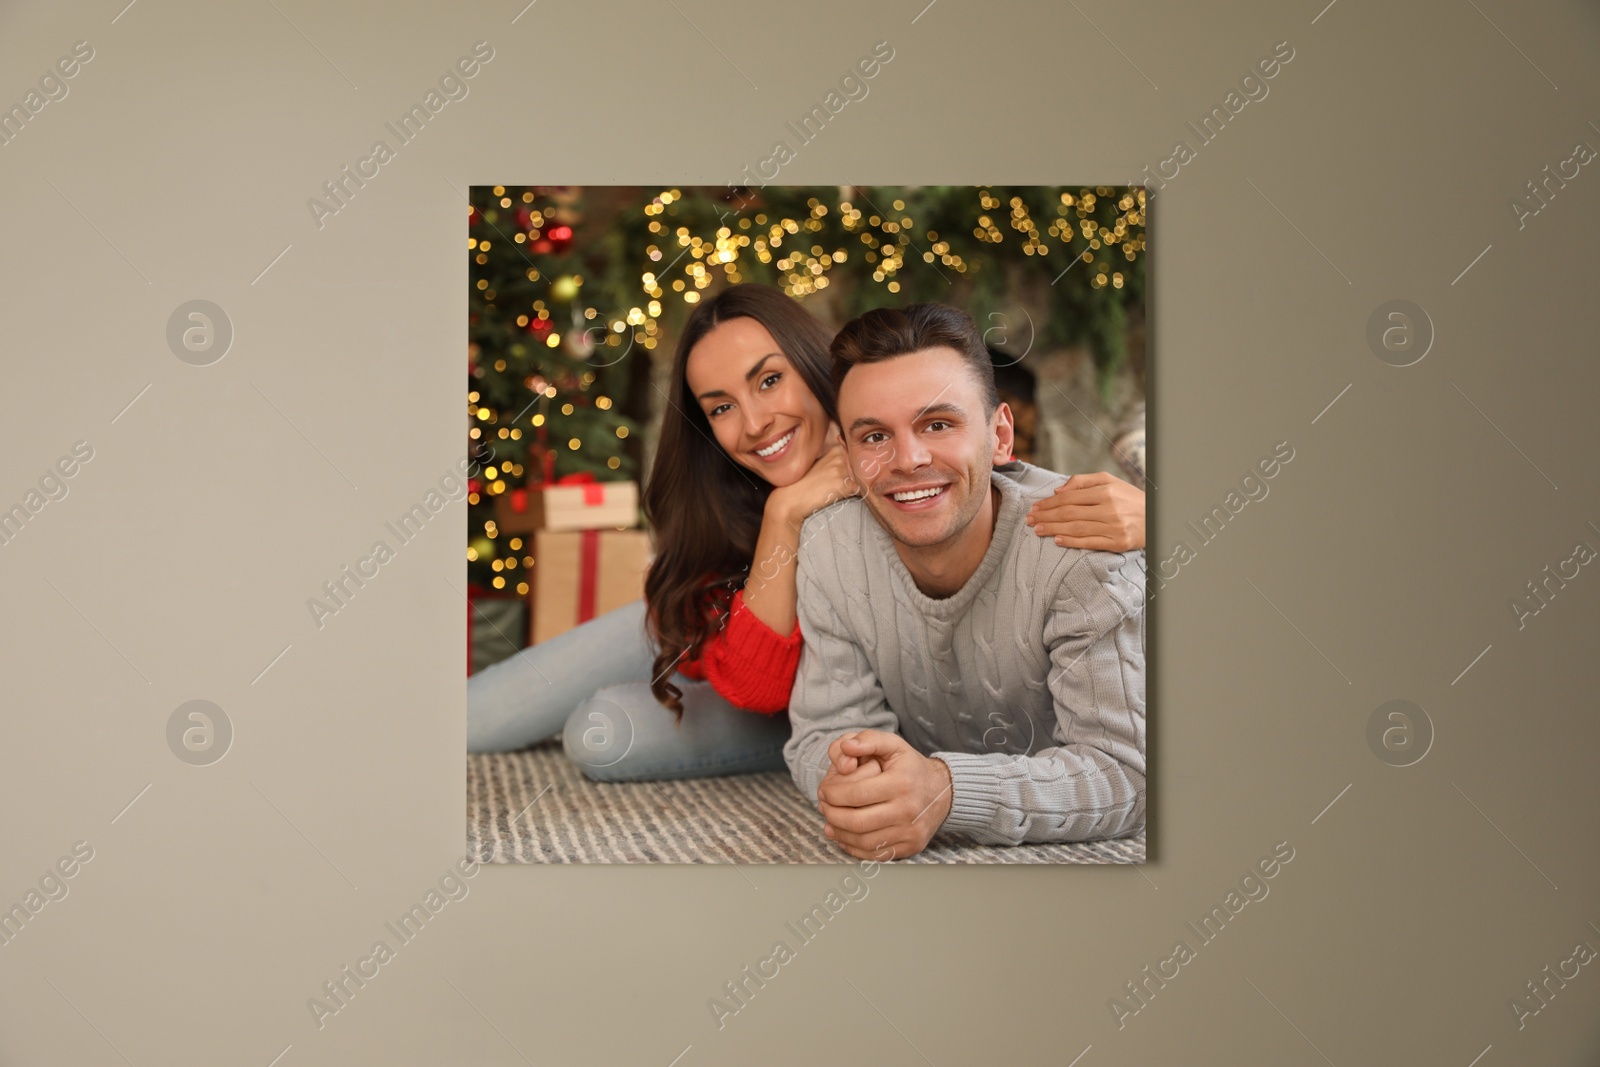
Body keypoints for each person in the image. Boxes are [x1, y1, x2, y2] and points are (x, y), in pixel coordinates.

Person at [466, 283, 1147, 784]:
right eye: (723, 407)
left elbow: (990, 476)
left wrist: (1154, 518)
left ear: (814, 369)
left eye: (769, 380)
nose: (755, 421)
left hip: (793, 712)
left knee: (600, 732)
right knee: (483, 711)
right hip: (711, 653)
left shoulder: (897, 468)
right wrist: (784, 511)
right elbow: (745, 677)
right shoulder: (746, 493)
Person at [783, 303, 1146, 858]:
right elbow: (823, 730)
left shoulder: (1081, 549)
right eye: (875, 437)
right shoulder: (831, 546)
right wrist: (861, 787)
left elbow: (1127, 776)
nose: (908, 459)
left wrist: (946, 792)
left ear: (1001, 435)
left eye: (938, 424)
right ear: (849, 456)